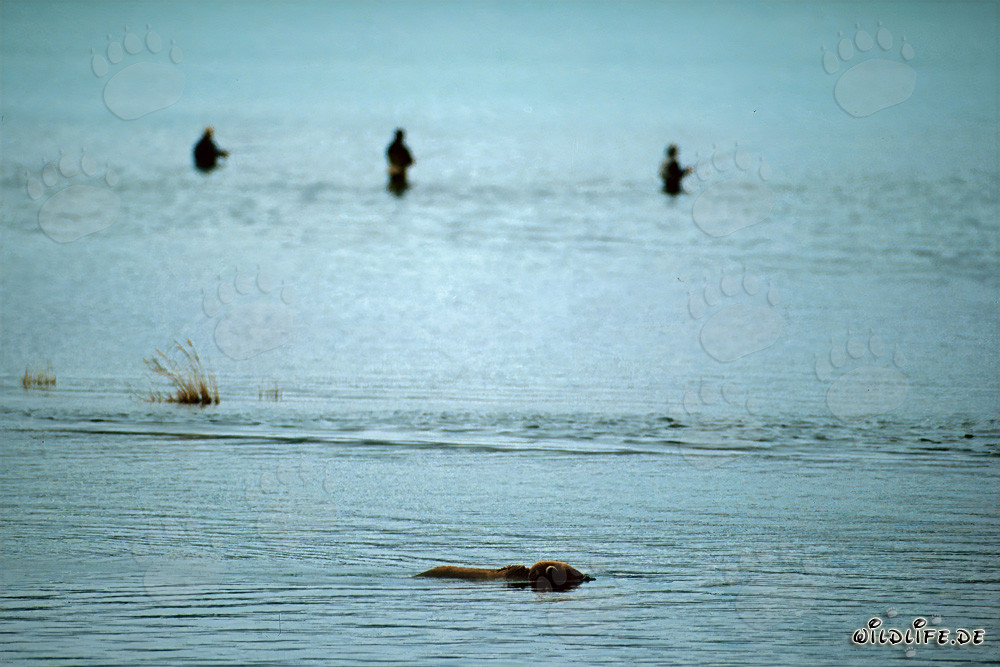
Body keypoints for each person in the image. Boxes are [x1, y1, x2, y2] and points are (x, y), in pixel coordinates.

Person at [386, 128, 414, 194]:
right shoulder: (403, 148)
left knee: (393, 188)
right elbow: (410, 161)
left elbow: (389, 157)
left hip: (393, 169)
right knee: (401, 187)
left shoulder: (391, 147)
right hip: (401, 170)